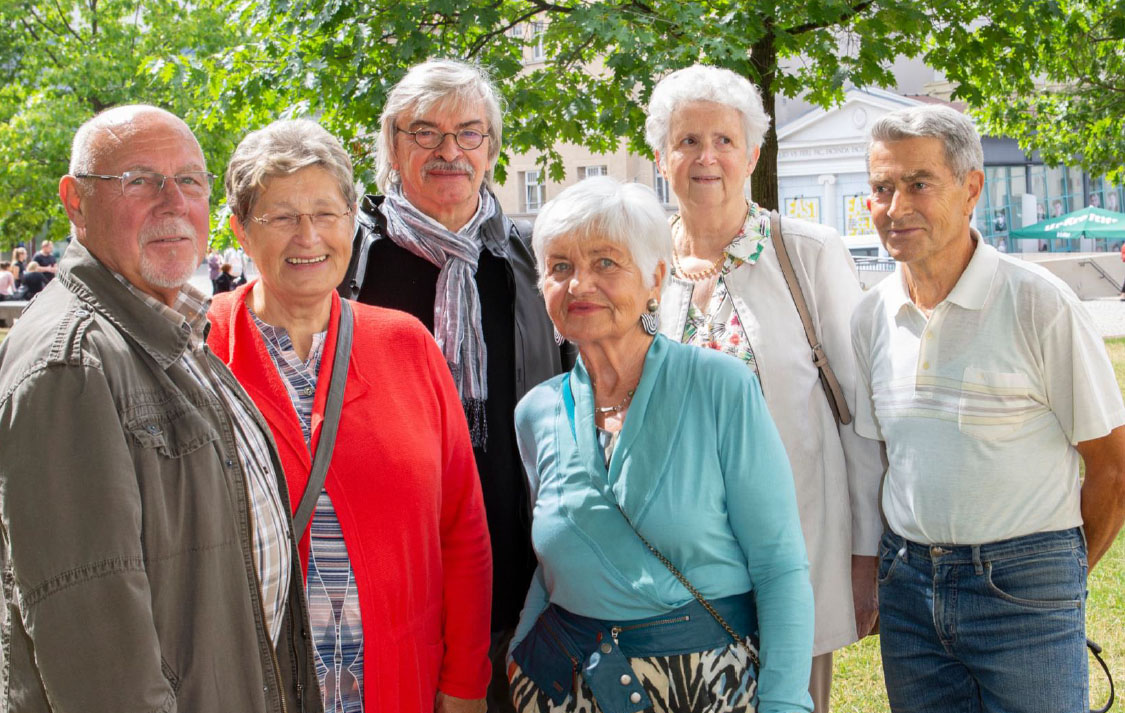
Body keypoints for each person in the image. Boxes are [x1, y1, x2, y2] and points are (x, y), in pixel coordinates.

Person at [0, 105, 321, 712]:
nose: (173, 201)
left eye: (190, 180)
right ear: (75, 202)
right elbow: (97, 655)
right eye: (140, 180)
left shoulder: (165, 325)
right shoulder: (73, 365)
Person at [209, 118, 492, 713]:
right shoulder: (199, 349)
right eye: (282, 216)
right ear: (241, 230)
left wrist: (465, 682)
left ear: (351, 224)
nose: (307, 236)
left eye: (326, 214)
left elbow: (463, 528)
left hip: (397, 688)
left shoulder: (406, 346)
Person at [853, 104, 1125, 713]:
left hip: (1025, 580)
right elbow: (881, 459)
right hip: (909, 587)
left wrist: (1056, 583)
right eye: (881, 188)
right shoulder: (869, 314)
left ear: (971, 187)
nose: (895, 208)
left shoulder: (1039, 303)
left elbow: (1113, 467)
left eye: (918, 184)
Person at [508, 176, 813, 713]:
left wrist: (786, 704)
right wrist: (520, 656)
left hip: (706, 685)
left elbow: (779, 564)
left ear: (655, 278)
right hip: (564, 685)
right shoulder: (537, 411)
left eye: (605, 262)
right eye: (560, 267)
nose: (580, 284)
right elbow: (556, 560)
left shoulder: (721, 386)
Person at [644, 63, 884, 711]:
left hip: (789, 569)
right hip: (665, 580)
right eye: (687, 140)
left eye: (723, 140)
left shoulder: (806, 252)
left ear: (752, 153)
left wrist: (865, 557)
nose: (706, 157)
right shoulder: (640, 265)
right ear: (660, 156)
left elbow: (857, 415)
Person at [340, 57, 566, 713]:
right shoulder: (351, 257)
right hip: (380, 580)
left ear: (491, 148)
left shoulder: (531, 257)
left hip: (516, 571)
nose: (449, 151)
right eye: (425, 132)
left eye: (468, 133)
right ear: (392, 144)